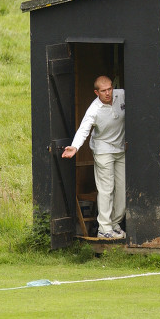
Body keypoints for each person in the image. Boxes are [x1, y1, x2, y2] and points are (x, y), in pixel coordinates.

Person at [61, 76, 126, 240]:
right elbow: (84, 129)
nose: (108, 93)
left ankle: (115, 224)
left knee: (123, 188)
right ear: (96, 92)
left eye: (110, 89)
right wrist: (75, 147)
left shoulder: (122, 95)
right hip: (103, 150)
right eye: (103, 91)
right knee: (106, 188)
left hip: (121, 149)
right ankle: (104, 228)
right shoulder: (94, 109)